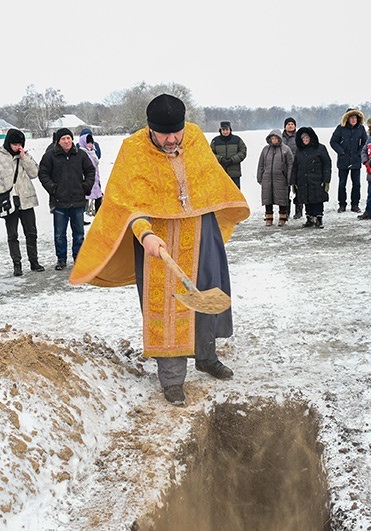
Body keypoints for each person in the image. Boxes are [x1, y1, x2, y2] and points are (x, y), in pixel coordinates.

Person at [69, 94, 250, 406]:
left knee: (204, 292)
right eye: (165, 134)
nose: (172, 139)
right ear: (150, 128)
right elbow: (126, 204)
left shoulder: (193, 137)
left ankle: (206, 357)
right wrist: (145, 234)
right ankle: (172, 378)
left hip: (200, 232)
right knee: (165, 306)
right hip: (157, 241)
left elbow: (207, 179)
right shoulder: (133, 150)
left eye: (176, 132)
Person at [0, 128, 44, 276]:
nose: (18, 146)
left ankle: (34, 261)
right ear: (8, 143)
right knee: (12, 235)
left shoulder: (25, 156)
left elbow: (35, 173)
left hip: (26, 199)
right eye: (15, 144)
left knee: (31, 233)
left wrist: (24, 157)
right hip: (8, 202)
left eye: (20, 144)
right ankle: (17, 264)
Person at [38, 128, 96, 271]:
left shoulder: (80, 154)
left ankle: (79, 258)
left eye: (69, 138)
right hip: (59, 201)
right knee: (59, 234)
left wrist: (86, 186)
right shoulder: (50, 156)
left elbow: (90, 171)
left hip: (77, 199)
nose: (67, 141)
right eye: (63, 139)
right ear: (58, 141)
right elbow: (43, 173)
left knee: (79, 233)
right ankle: (61, 259)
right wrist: (53, 188)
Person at [290, 127, 333, 229]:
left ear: (311, 138)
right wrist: (293, 181)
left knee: (317, 199)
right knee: (306, 199)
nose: (305, 140)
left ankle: (318, 218)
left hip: (317, 179)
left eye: (307, 138)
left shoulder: (320, 148)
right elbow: (295, 166)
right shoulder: (300, 150)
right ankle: (309, 218)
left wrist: (326, 180)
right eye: (303, 138)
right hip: (302, 180)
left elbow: (327, 164)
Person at [330, 108, 368, 213]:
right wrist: (341, 151)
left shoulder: (361, 128)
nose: (353, 120)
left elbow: (365, 141)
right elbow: (333, 142)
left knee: (357, 184)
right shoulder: (340, 128)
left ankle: (355, 205)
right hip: (343, 160)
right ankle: (342, 204)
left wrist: (360, 151)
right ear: (347, 118)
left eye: (355, 117)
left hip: (356, 160)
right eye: (351, 117)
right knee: (342, 183)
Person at [256, 129, 295, 226]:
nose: (274, 140)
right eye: (272, 138)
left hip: (281, 178)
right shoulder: (265, 149)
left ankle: (283, 217)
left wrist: (289, 177)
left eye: (275, 138)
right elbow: (261, 164)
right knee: (267, 198)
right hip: (267, 178)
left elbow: (290, 164)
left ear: (279, 139)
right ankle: (268, 218)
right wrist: (260, 176)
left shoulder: (286, 149)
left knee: (282, 198)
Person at [210, 121, 247, 188]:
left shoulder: (237, 140)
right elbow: (210, 154)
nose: (225, 132)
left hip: (234, 174)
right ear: (220, 130)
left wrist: (232, 160)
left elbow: (243, 152)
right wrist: (221, 159)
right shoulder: (215, 141)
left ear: (230, 129)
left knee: (235, 196)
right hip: (220, 173)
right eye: (223, 130)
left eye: (227, 129)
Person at [77, 131, 103, 216]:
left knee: (98, 197)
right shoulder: (81, 153)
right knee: (85, 198)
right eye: (88, 143)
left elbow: (97, 159)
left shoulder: (93, 151)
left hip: (95, 178)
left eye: (91, 142)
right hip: (87, 179)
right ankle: (81, 216)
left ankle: (98, 214)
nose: (90, 144)